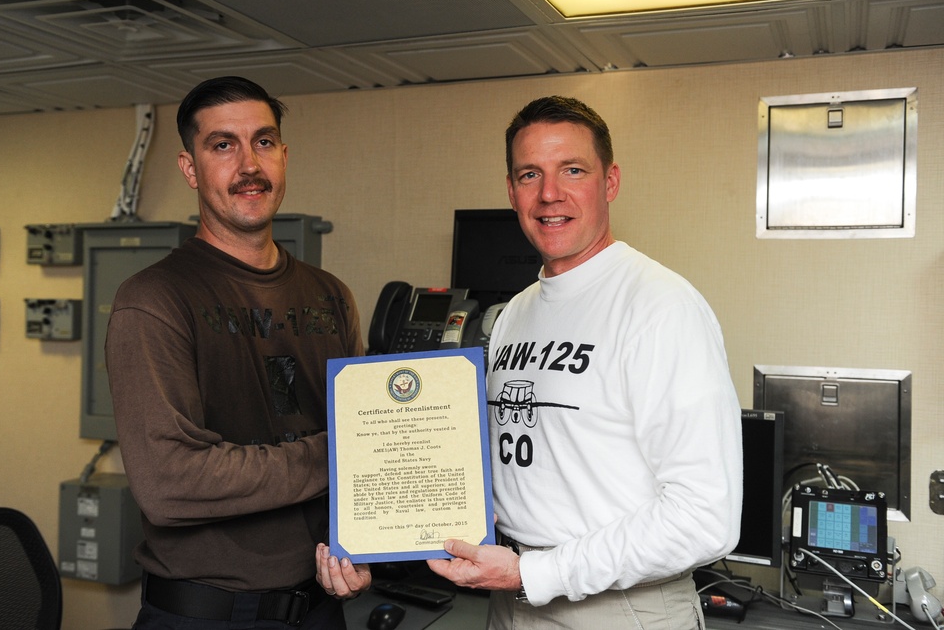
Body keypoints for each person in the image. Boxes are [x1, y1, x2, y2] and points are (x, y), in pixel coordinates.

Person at [318, 95, 742, 628]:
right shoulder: (514, 315)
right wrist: (373, 541)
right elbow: (503, 469)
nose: (549, 195)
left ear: (609, 182)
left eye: (572, 170)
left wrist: (534, 574)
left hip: (616, 606)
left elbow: (706, 518)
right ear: (511, 191)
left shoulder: (660, 307)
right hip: (513, 596)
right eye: (529, 175)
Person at [105, 76, 365, 629]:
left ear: (284, 156)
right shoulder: (153, 300)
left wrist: (364, 546)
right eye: (223, 145)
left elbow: (370, 440)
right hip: (207, 614)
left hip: (319, 606)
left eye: (263, 142)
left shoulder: (330, 295)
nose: (249, 164)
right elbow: (170, 484)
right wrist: (344, 451)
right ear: (190, 169)